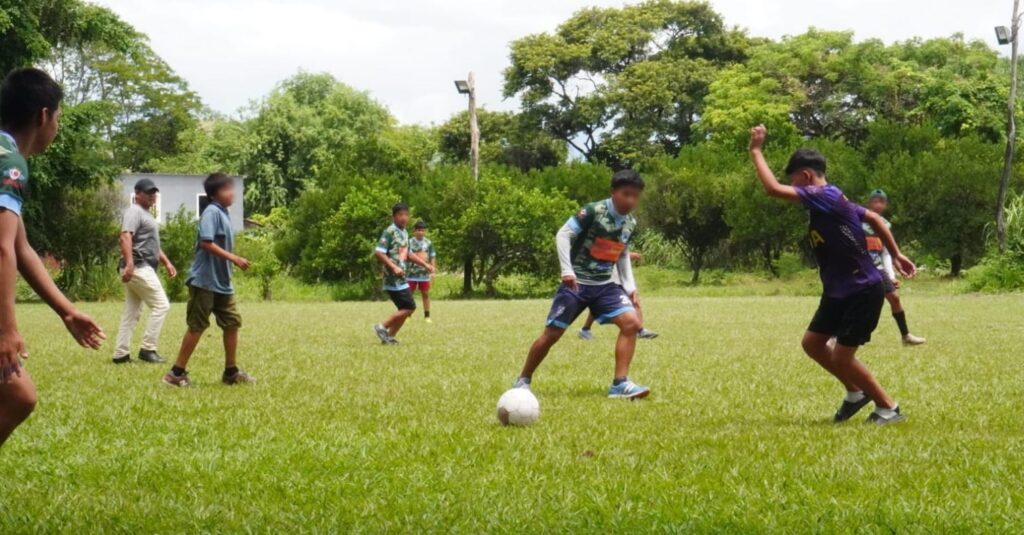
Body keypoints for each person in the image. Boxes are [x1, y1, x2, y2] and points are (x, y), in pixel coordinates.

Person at [749, 125, 914, 425]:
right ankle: (855, 393)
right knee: (813, 344)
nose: (794, 187)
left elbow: (772, 189)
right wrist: (898, 253)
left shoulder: (823, 195)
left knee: (841, 356)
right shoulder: (834, 198)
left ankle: (889, 408)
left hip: (861, 289)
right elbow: (875, 218)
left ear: (806, 176)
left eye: (795, 181)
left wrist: (756, 151)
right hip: (838, 289)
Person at [0, 68, 106, 446]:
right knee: (18, 396)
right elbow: (2, 247)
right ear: (43, 116)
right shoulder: (10, 163)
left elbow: (21, 247)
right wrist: (6, 329)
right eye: (58, 118)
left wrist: (67, 311)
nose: (57, 128)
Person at [513, 169, 650, 399]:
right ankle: (523, 379)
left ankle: (620, 384)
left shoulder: (630, 222)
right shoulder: (593, 211)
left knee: (631, 324)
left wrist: (630, 287)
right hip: (576, 285)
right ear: (613, 192)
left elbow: (622, 253)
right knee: (552, 334)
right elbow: (563, 234)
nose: (631, 201)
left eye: (635, 196)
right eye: (626, 194)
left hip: (605, 285)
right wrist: (567, 270)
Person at [163, 173, 254, 387]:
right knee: (197, 325)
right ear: (213, 195)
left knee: (232, 323)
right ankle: (175, 373)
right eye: (226, 189)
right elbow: (206, 243)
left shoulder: (224, 213)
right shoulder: (212, 212)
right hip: (204, 281)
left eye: (231, 188)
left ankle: (231, 372)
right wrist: (234, 258)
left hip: (222, 283)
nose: (231, 193)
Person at [113, 178, 177, 364]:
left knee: (132, 312)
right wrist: (130, 264)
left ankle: (120, 354)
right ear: (137, 194)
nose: (152, 195)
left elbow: (153, 245)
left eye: (154, 192)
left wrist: (167, 262)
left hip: (141, 266)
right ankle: (148, 349)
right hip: (139, 266)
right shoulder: (134, 211)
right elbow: (125, 237)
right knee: (161, 305)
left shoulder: (147, 215)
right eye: (148, 192)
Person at [863, 190, 926, 346]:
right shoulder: (859, 222)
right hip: (860, 267)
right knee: (854, 301)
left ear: (886, 205)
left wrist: (891, 275)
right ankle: (835, 336)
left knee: (894, 298)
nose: (878, 205)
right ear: (868, 203)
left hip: (878, 268)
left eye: (882, 202)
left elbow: (885, 253)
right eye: (875, 201)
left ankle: (906, 336)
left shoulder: (885, 225)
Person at [373, 204, 434, 344]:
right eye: (400, 215)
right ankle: (382, 327)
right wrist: (394, 267)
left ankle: (388, 337)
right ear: (393, 217)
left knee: (406, 308)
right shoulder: (390, 231)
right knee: (409, 307)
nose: (403, 218)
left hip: (401, 277)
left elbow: (408, 254)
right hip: (392, 278)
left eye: (406, 215)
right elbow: (379, 252)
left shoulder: (404, 232)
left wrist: (425, 265)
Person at [578, 251, 658, 340]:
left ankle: (640, 330)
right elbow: (608, 254)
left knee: (634, 299)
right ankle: (585, 329)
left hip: (621, 277)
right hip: (610, 277)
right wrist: (629, 255)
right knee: (599, 303)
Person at [407, 220, 437, 323]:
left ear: (425, 231)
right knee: (409, 294)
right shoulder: (409, 242)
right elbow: (405, 255)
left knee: (425, 294)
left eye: (422, 230)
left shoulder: (428, 243)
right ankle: (408, 316)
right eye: (418, 230)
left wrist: (433, 270)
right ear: (414, 231)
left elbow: (432, 256)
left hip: (424, 274)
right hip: (411, 273)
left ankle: (427, 316)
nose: (420, 232)